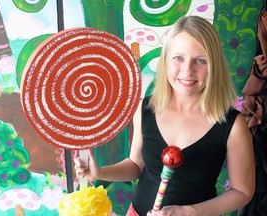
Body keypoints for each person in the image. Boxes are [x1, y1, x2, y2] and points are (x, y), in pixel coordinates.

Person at [75, 16, 255, 216]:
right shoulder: (146, 109)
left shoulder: (232, 125)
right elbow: (136, 166)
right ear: (166, 60)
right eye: (178, 58)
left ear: (214, 66)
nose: (187, 70)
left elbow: (243, 191)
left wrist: (188, 212)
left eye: (200, 60)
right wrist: (100, 172)